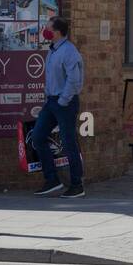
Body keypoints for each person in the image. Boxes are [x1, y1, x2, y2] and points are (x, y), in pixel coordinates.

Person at [31, 16, 85, 198]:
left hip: (65, 103)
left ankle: (77, 184)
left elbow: (75, 80)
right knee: (38, 136)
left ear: (57, 32)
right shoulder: (53, 50)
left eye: (48, 28)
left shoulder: (69, 51)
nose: (45, 31)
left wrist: (63, 100)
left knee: (68, 142)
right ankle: (52, 179)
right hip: (52, 102)